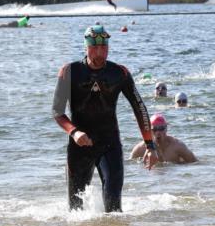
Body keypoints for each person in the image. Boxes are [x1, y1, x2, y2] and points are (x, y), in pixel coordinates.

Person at [52, 25, 157, 212]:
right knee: (75, 210)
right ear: (86, 47)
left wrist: (150, 146)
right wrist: (74, 132)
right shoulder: (69, 72)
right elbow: (57, 112)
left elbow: (139, 108)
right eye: (95, 47)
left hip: (109, 143)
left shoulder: (119, 73)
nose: (100, 52)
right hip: (79, 146)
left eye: (104, 47)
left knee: (114, 208)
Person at [130, 114, 197, 164]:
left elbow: (195, 163)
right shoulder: (140, 148)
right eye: (155, 129)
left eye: (161, 128)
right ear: (150, 131)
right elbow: (130, 165)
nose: (158, 132)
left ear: (166, 129)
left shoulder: (177, 146)